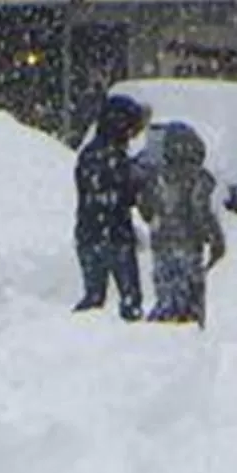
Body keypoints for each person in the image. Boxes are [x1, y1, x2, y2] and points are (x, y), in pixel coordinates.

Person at [138, 121, 227, 326]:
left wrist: (158, 219)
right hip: (188, 245)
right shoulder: (198, 178)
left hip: (161, 244)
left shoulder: (155, 176)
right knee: (190, 295)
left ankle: (164, 323)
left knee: (166, 290)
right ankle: (187, 331)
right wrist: (215, 239)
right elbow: (201, 211)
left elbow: (145, 209)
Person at [73, 93, 149, 320]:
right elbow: (127, 195)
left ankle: (79, 335)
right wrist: (139, 177)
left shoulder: (88, 154)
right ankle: (130, 341)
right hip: (116, 235)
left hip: (88, 234)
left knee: (93, 296)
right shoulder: (116, 158)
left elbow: (88, 189)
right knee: (130, 298)